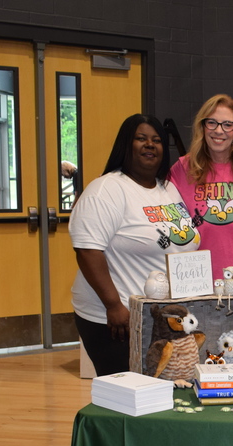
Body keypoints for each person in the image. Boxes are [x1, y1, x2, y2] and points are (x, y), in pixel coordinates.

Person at [70, 113, 199, 376]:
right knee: (126, 396)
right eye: (141, 139)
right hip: (117, 319)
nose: (150, 145)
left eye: (156, 140)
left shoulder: (167, 190)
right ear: (125, 145)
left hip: (154, 316)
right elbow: (86, 250)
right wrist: (113, 305)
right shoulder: (106, 190)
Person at [168, 94, 233, 313]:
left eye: (227, 124)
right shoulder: (183, 168)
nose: (219, 131)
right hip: (199, 293)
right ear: (202, 126)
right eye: (212, 122)